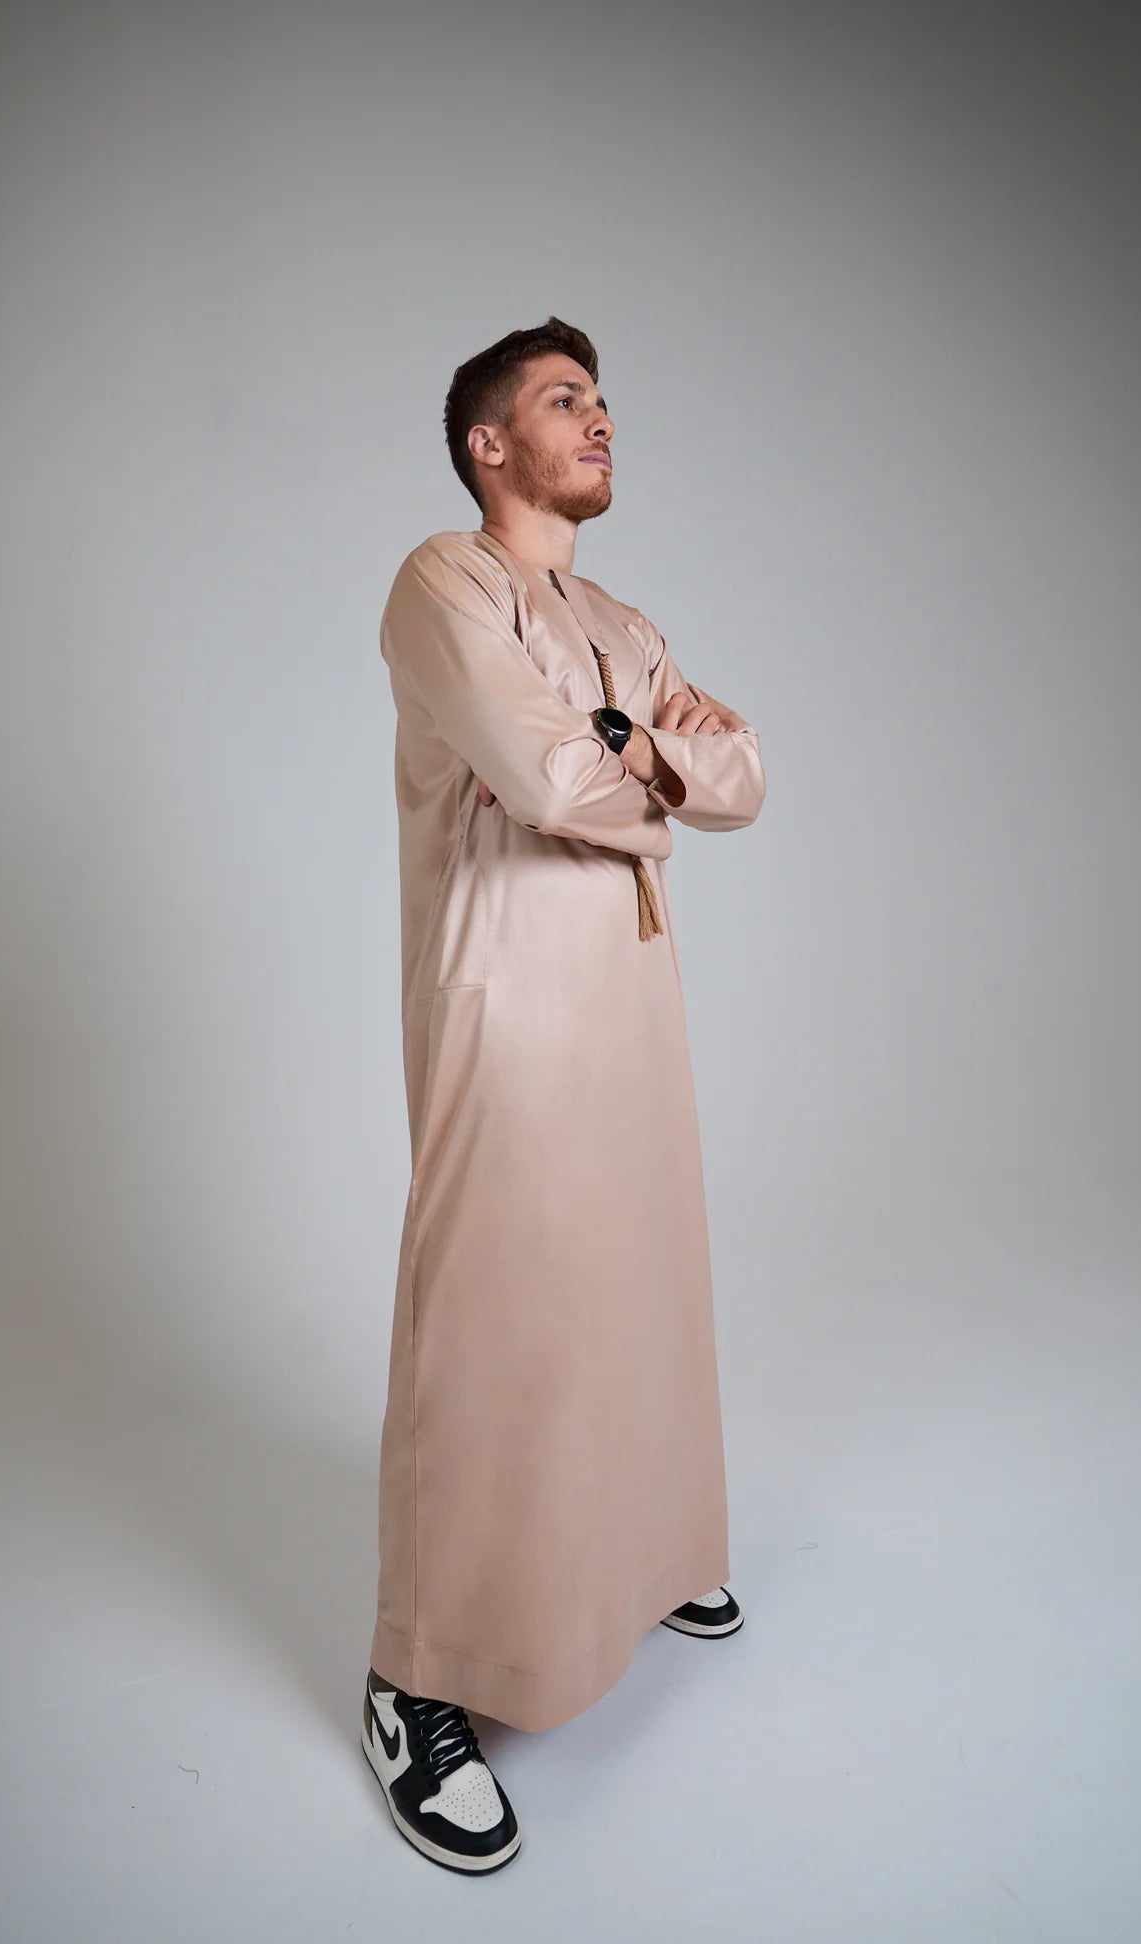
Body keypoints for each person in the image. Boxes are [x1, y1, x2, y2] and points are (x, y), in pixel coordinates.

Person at [360, 317, 766, 1873]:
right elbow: (548, 783)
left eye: (603, 401)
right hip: (511, 999)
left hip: (631, 993)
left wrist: (629, 750)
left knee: (640, 1281)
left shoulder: (617, 618)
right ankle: (417, 1679)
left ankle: (647, 1557)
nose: (600, 421)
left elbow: (744, 775)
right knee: (496, 1317)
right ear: (489, 443)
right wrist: (646, 774)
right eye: (564, 400)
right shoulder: (444, 584)